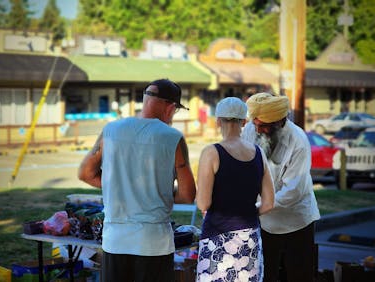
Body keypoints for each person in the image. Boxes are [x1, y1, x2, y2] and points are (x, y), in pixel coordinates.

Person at [78, 78, 196, 282]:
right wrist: (154, 195)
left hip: (115, 240)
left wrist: (120, 189)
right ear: (170, 107)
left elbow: (86, 174)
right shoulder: (172, 137)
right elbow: (187, 194)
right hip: (154, 242)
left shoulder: (111, 130)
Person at [242, 92, 321, 282]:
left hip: (296, 221)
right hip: (265, 221)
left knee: (298, 275)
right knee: (264, 275)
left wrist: (258, 208)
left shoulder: (298, 141)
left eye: (264, 126)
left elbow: (293, 191)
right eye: (256, 124)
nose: (258, 130)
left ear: (280, 121)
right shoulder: (251, 130)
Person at [195, 97, 275, 282]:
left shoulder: (211, 152)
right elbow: (269, 203)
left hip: (217, 237)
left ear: (217, 121)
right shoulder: (258, 153)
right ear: (244, 122)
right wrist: (247, 211)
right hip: (250, 238)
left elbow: (203, 202)